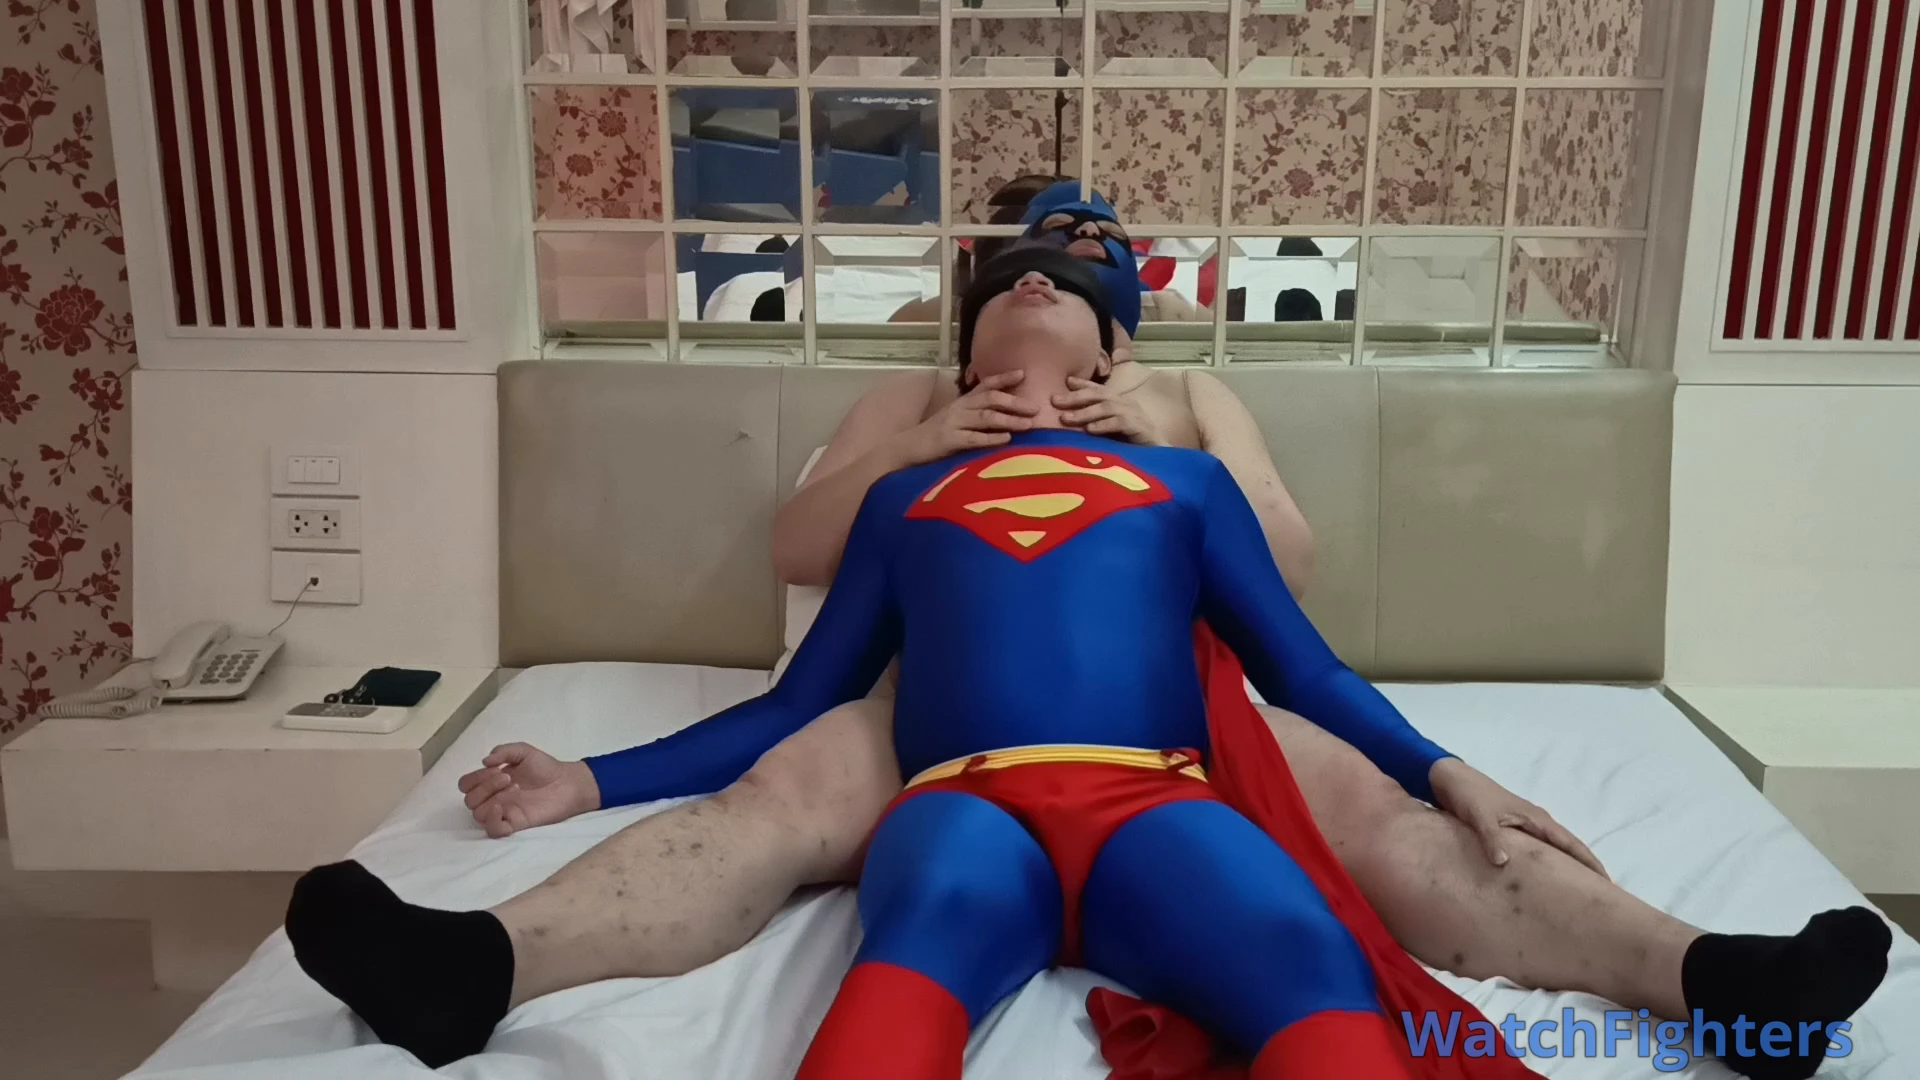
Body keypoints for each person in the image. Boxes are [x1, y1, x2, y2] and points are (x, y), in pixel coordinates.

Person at [286, 247, 1890, 1080]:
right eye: (1009, 283)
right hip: (959, 778)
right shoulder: (905, 476)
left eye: (1073, 280)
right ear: (964, 346)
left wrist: (1449, 766)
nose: (1038, 280)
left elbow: (1303, 649)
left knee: (1319, 936)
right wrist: (594, 770)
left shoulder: (1183, 459)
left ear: (1124, 346)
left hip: (1163, 767)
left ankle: (1717, 984)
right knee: (882, 915)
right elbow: (797, 689)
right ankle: (471, 968)